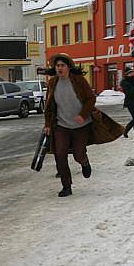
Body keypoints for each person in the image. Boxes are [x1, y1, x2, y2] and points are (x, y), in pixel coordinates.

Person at [43, 53, 96, 198]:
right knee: (60, 154)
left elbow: (91, 99)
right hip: (62, 125)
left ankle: (84, 162)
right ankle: (66, 186)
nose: (59, 68)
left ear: (68, 67)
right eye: (57, 66)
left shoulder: (78, 80)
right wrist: (48, 124)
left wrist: (83, 114)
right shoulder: (53, 83)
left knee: (78, 155)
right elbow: (49, 106)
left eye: (62, 65)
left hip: (81, 125)